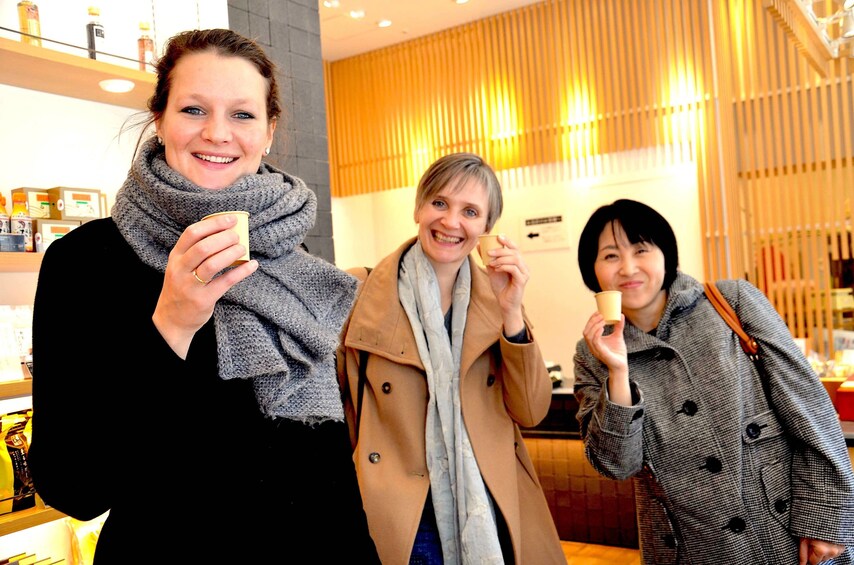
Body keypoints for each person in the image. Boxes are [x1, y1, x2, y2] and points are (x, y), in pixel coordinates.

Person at [28, 28, 379, 564]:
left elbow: (322, 458)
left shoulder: (288, 253)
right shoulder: (85, 261)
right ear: (159, 119)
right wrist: (171, 324)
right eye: (193, 109)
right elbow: (74, 486)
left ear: (268, 132)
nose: (218, 133)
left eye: (242, 114)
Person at [573, 198, 854, 565]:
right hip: (689, 549)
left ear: (666, 254)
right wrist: (618, 371)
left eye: (641, 249)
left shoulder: (732, 301)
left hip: (784, 531)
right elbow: (616, 465)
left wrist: (826, 519)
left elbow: (811, 409)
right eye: (610, 256)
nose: (628, 267)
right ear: (591, 269)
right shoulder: (590, 352)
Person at [337, 152, 565, 564]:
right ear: (419, 208)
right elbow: (341, 409)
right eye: (439, 203)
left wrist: (512, 312)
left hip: (487, 503)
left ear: (486, 228)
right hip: (398, 510)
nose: (451, 222)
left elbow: (530, 411)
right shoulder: (362, 292)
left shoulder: (499, 301)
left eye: (470, 211)